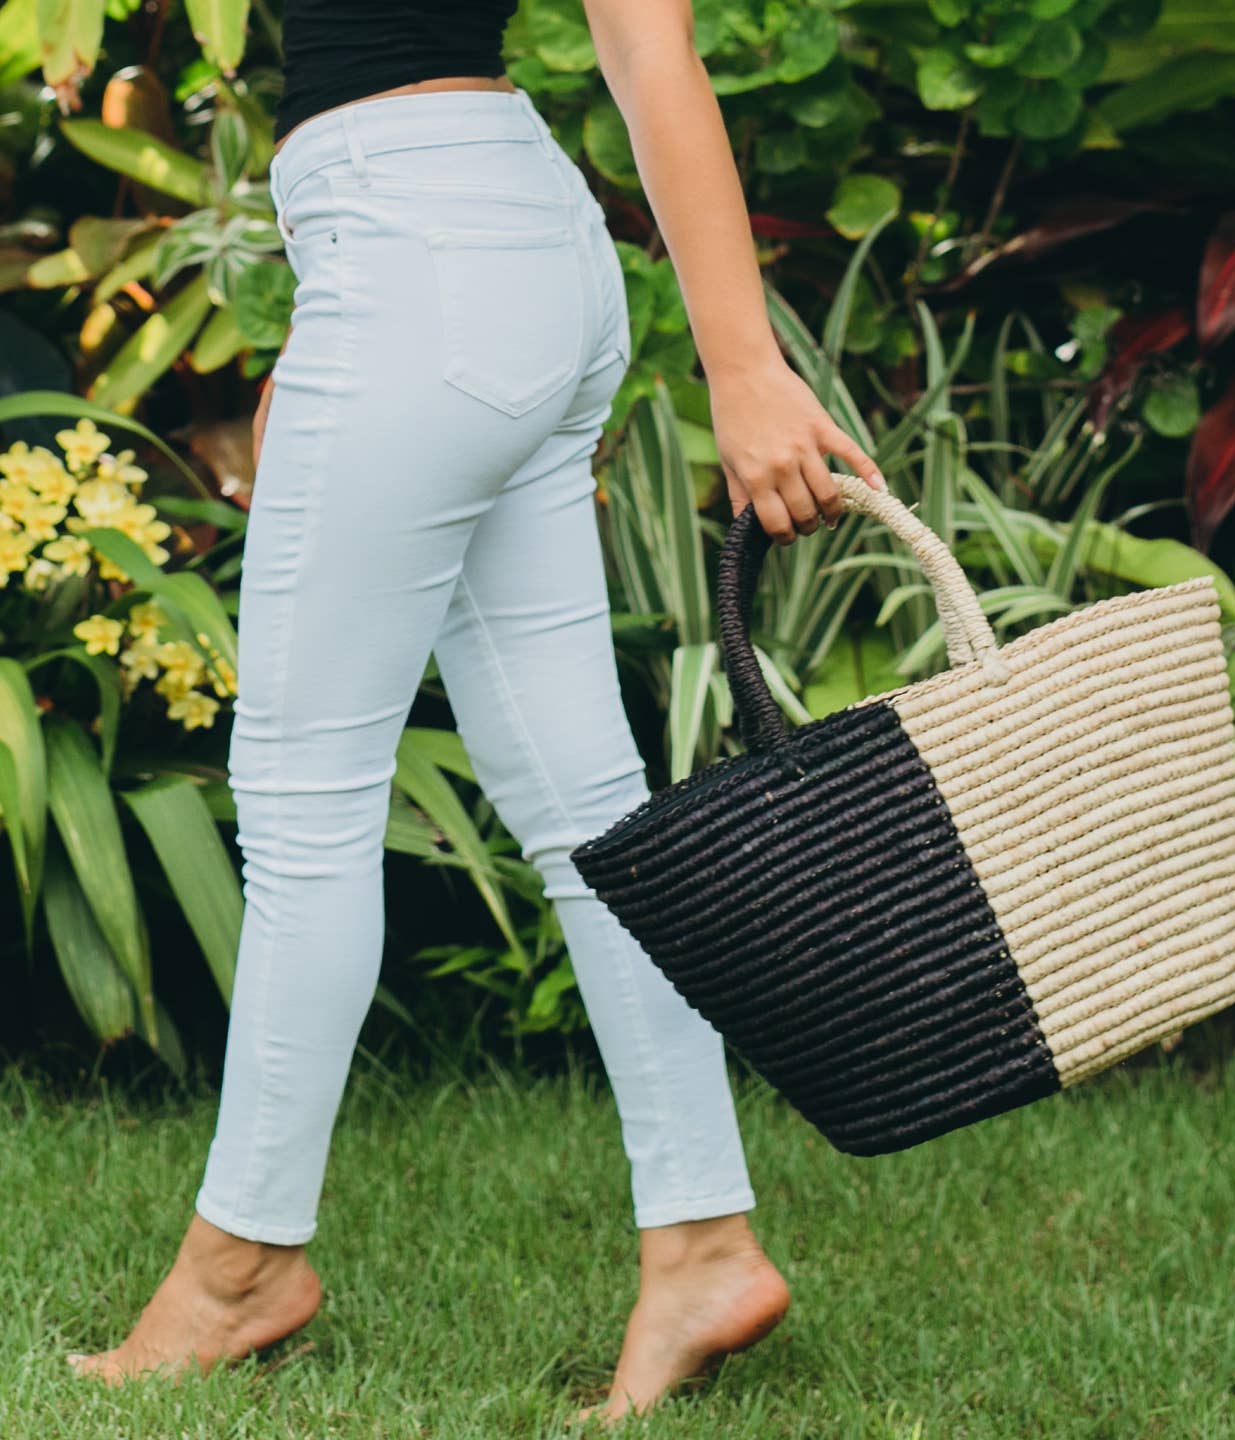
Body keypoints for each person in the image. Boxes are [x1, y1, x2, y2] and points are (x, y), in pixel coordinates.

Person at [66, 0, 887, 1422]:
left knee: (304, 808)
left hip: (426, 257)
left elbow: (647, 46)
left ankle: (239, 1270)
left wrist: (747, 371)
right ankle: (701, 1241)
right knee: (588, 808)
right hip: (472, 251)